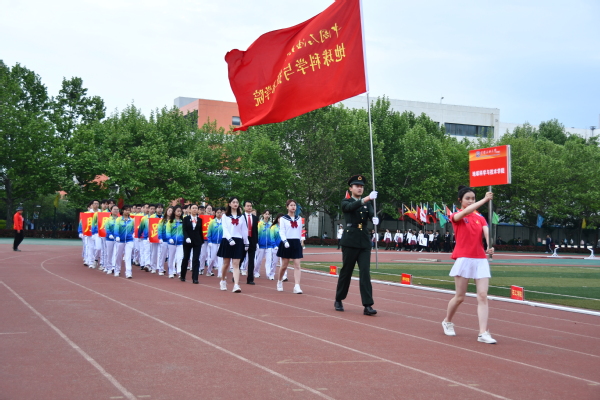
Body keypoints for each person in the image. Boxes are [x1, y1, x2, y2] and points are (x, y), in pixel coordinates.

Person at [442, 186, 496, 344]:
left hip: (480, 259)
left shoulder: (480, 217)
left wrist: (489, 245)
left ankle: (483, 332)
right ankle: (447, 321)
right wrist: (485, 200)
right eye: (468, 198)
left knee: (482, 296)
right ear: (460, 200)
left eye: (473, 198)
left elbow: (486, 232)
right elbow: (466, 212)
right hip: (464, 258)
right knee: (460, 297)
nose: (471, 201)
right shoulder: (455, 216)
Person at [335, 175, 377, 316]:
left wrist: (375, 219)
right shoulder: (346, 201)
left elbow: (371, 214)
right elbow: (349, 208)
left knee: (365, 272)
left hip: (364, 240)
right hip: (350, 240)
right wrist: (367, 199)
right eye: (357, 186)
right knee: (346, 271)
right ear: (350, 188)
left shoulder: (368, 204)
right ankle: (339, 299)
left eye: (362, 186)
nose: (360, 188)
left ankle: (368, 305)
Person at [218, 196, 249, 293]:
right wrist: (229, 239)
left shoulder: (242, 217)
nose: (235, 204)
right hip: (227, 240)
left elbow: (244, 230)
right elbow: (225, 229)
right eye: (233, 202)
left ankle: (236, 285)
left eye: (237, 202)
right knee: (226, 263)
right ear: (229, 204)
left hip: (238, 240)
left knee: (236, 264)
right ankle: (223, 280)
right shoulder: (225, 216)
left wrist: (246, 242)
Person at [277, 199, 304, 293]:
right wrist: (285, 241)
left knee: (297, 265)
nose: (293, 207)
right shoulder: (283, 219)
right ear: (287, 207)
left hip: (296, 242)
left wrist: (301, 241)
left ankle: (297, 286)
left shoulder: (299, 218)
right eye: (291, 205)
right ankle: (279, 281)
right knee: (284, 265)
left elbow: (300, 231)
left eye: (294, 205)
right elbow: (282, 231)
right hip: (286, 242)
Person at [181, 204, 203, 284]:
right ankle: (183, 275)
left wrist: (202, 241)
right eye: (193, 208)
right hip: (188, 241)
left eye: (196, 208)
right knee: (186, 258)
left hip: (197, 241)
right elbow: (184, 229)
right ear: (190, 210)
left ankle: (195, 278)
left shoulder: (199, 219)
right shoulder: (186, 219)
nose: (194, 209)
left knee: (196, 259)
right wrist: (186, 237)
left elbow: (200, 231)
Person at [113, 205, 135, 278]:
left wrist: (133, 234)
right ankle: (117, 270)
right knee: (118, 256)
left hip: (129, 240)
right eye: (126, 210)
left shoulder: (132, 220)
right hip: (120, 240)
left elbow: (133, 229)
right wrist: (117, 236)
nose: (127, 211)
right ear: (123, 211)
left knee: (128, 256)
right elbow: (116, 229)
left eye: (128, 210)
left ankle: (128, 272)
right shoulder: (119, 219)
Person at [240, 201, 259, 284]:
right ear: (244, 207)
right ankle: (235, 276)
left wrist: (256, 242)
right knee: (240, 258)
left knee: (251, 260)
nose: (249, 207)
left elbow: (256, 231)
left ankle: (250, 279)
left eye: (250, 206)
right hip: (243, 241)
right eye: (247, 206)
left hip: (252, 240)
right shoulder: (241, 217)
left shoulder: (255, 218)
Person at [166, 206, 184, 278]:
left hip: (180, 242)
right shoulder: (170, 221)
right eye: (178, 211)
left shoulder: (183, 221)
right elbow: (168, 231)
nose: (179, 213)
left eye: (180, 211)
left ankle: (179, 271)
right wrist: (169, 238)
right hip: (172, 243)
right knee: (171, 257)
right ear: (174, 212)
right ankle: (171, 271)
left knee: (180, 257)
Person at [206, 207, 224, 277]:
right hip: (213, 243)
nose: (219, 214)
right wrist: (209, 241)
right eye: (218, 212)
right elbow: (209, 232)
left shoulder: (224, 222)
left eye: (220, 212)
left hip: (221, 243)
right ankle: (209, 270)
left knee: (221, 258)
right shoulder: (212, 222)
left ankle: (220, 273)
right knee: (212, 258)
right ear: (215, 213)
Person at [254, 210, 271, 279]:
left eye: (268, 214)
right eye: (266, 214)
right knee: (259, 260)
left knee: (269, 260)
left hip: (269, 245)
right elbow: (257, 234)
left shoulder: (270, 224)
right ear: (263, 215)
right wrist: (257, 242)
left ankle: (268, 273)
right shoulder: (259, 224)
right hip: (261, 245)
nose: (267, 215)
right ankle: (256, 271)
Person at [104, 205, 120, 275]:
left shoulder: (120, 219)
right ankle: (109, 267)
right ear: (111, 210)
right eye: (114, 209)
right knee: (109, 253)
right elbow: (107, 228)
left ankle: (115, 267)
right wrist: (110, 234)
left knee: (116, 254)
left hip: (118, 239)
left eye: (117, 209)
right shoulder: (108, 219)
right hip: (109, 238)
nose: (116, 211)